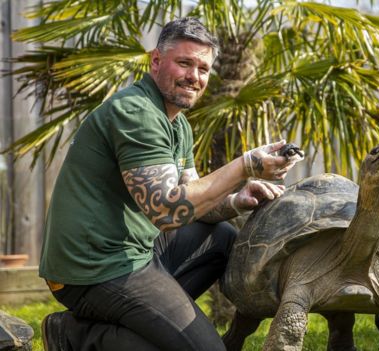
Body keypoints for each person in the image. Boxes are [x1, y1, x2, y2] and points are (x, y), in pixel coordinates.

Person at [39, 17, 302, 351]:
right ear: (156, 61)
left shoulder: (177, 124)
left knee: (222, 238)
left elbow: (191, 200)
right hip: (91, 268)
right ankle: (75, 336)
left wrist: (237, 200)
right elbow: (167, 211)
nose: (194, 77)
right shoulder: (136, 112)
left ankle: (139, 324)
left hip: (133, 249)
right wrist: (246, 165)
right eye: (184, 63)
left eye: (203, 68)